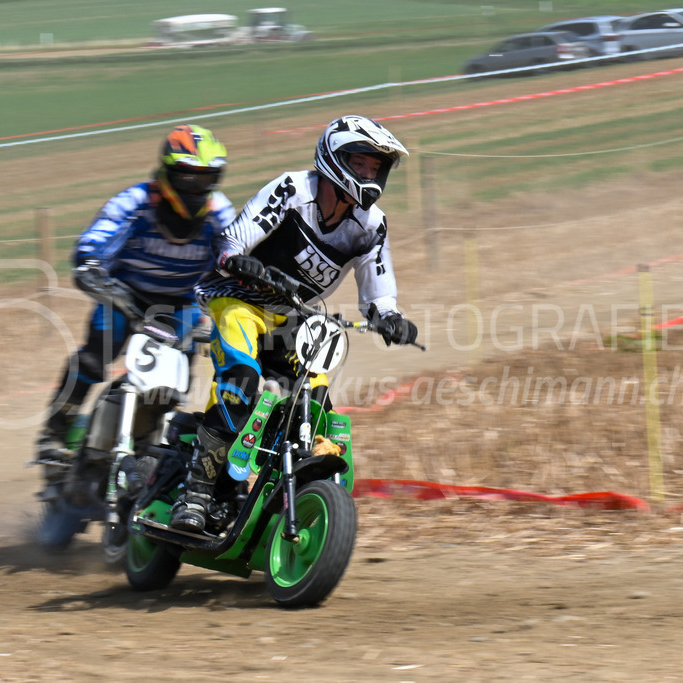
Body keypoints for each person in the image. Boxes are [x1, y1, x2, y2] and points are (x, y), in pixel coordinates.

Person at [170, 114, 419, 532]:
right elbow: (232, 240)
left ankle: (288, 495)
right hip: (238, 300)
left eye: (376, 168)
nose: (370, 175)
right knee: (242, 383)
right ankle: (193, 497)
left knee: (312, 403)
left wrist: (391, 320)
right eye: (361, 164)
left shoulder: (371, 226)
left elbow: (378, 293)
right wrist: (239, 261)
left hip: (292, 317)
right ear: (335, 159)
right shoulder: (292, 189)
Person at [35, 124, 236, 465]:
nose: (196, 187)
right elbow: (97, 237)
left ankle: (146, 441)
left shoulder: (220, 214)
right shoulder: (136, 201)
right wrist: (90, 264)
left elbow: (233, 258)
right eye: (188, 177)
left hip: (182, 305)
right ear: (168, 173)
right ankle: (55, 432)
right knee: (94, 358)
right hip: (123, 294)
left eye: (206, 178)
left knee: (174, 382)